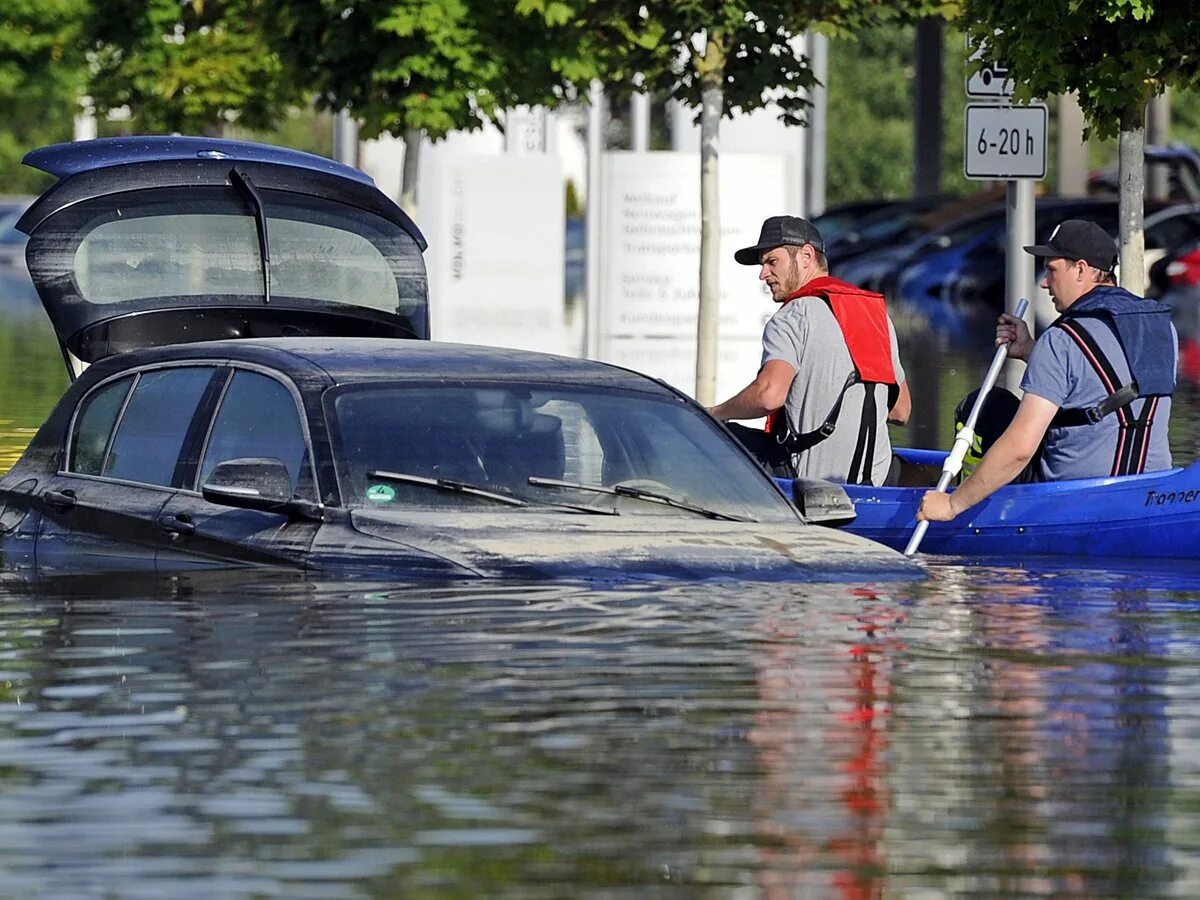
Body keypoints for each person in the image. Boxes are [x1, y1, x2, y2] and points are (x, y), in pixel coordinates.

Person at [918, 218, 1177, 524]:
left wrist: (950, 505)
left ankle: (969, 504)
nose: (1044, 282)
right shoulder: (1164, 328)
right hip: (1152, 496)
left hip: (1072, 501)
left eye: (1052, 270)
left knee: (986, 407)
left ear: (1081, 269)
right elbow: (1101, 382)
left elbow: (1020, 449)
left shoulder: (1062, 339)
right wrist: (1031, 351)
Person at [708, 215, 911, 485]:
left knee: (712, 436)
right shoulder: (877, 315)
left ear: (806, 256)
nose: (762, 274)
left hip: (811, 483)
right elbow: (901, 410)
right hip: (877, 481)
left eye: (772, 262)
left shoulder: (792, 316)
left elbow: (769, 396)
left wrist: (714, 413)